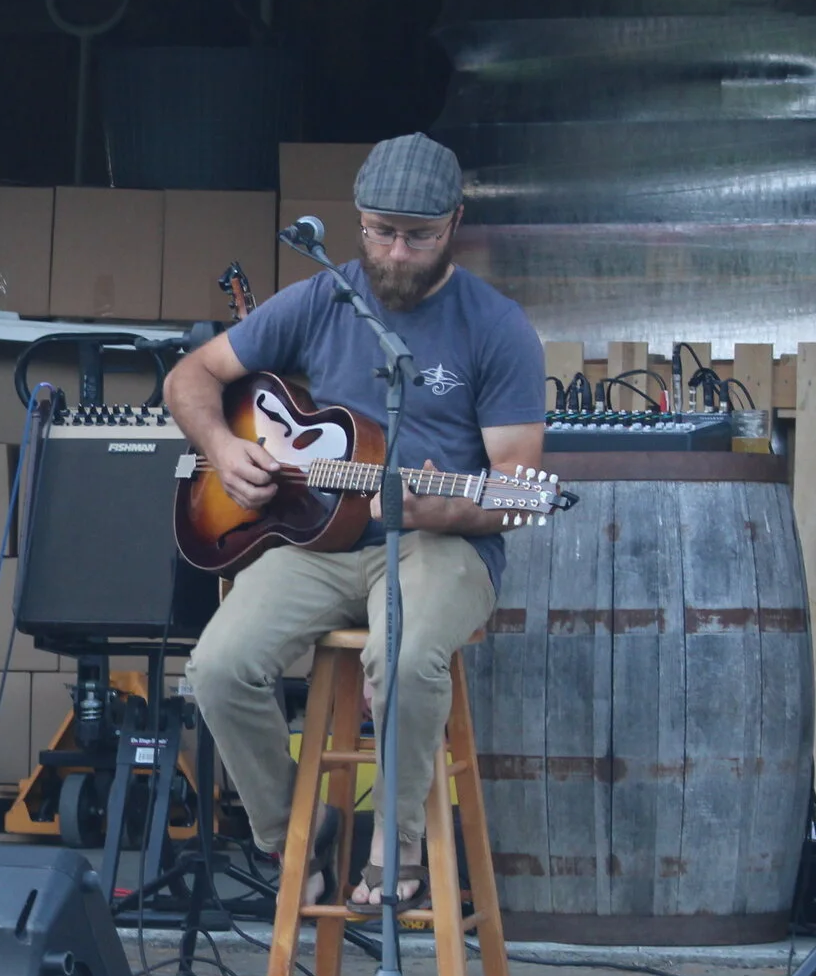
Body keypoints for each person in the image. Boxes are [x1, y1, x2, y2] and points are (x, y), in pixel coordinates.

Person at [171, 134, 545, 909]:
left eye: (417, 235)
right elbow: (193, 375)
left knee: (402, 657)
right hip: (317, 540)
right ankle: (293, 838)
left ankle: (396, 839)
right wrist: (221, 447)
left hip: (442, 544)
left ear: (455, 225)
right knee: (217, 666)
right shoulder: (324, 296)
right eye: (379, 231)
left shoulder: (496, 325)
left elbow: (515, 483)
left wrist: (446, 502)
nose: (396, 253)